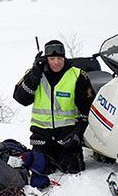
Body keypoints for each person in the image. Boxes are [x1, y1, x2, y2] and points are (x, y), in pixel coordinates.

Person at [13, 40, 95, 174]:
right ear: (46, 59)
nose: (56, 62)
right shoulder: (35, 74)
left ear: (64, 58)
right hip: (41, 136)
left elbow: (87, 109)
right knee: (40, 169)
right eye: (52, 58)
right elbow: (21, 99)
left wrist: (77, 134)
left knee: (73, 168)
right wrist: (34, 76)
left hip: (67, 135)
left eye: (59, 58)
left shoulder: (77, 75)